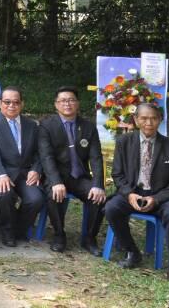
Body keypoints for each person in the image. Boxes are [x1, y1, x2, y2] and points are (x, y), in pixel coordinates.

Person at [106, 103, 169, 284]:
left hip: (160, 196)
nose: (148, 122)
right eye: (143, 118)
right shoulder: (124, 142)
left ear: (160, 120)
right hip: (133, 193)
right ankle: (132, 252)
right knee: (111, 208)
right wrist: (129, 194)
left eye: (153, 118)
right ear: (136, 120)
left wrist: (156, 199)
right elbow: (117, 174)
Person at [38, 86, 106, 255]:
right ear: (56, 105)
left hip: (79, 176)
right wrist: (55, 181)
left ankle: (89, 238)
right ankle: (59, 234)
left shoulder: (89, 127)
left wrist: (98, 184)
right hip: (57, 175)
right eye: (62, 101)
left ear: (78, 103)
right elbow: (46, 157)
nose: (67, 104)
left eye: (71, 100)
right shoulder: (46, 126)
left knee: (98, 197)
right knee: (54, 194)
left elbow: (96, 158)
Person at [0, 87, 43, 247]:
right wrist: (0, 174)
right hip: (2, 171)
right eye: (7, 102)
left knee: (35, 199)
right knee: (5, 195)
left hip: (25, 173)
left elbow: (40, 152)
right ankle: (7, 230)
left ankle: (18, 229)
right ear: (0, 103)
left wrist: (36, 169)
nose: (11, 106)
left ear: (22, 104)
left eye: (16, 102)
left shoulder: (32, 125)